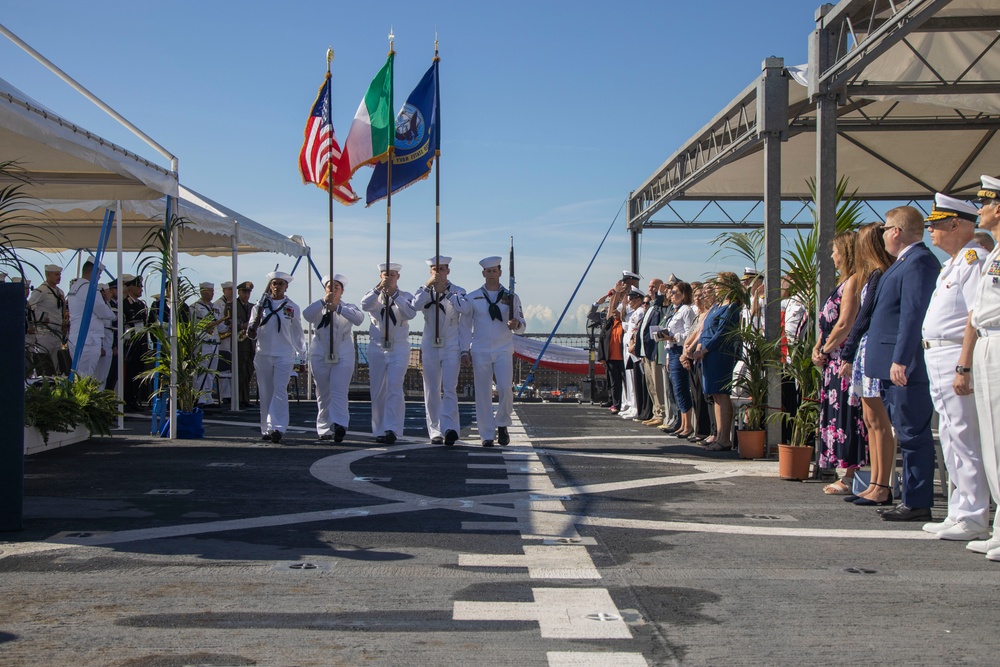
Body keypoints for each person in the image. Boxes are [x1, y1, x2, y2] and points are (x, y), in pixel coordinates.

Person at [919, 193, 990, 540]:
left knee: (965, 436)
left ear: (956, 224)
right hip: (939, 354)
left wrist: (964, 365)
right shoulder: (954, 264)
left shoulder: (976, 261)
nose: (931, 232)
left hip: (954, 356)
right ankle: (959, 509)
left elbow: (977, 316)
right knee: (950, 435)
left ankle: (974, 515)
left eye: (935, 225)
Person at [866, 206, 940, 522]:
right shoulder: (903, 263)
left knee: (912, 434)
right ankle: (911, 497)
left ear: (896, 231)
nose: (881, 236)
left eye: (884, 229)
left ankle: (917, 501)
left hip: (904, 367)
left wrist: (901, 359)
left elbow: (912, 315)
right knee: (905, 432)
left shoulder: (919, 262)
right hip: (889, 365)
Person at [955, 174, 1000, 560]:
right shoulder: (995, 253)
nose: (980, 210)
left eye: (984, 204)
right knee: (991, 438)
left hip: (998, 342)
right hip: (987, 343)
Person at [840, 223, 896, 507]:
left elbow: (863, 316)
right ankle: (874, 481)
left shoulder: (879, 274)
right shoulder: (873, 274)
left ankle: (881, 484)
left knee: (878, 421)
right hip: (865, 351)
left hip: (869, 349)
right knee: (870, 419)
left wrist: (847, 351)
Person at [812, 231, 865, 494]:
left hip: (843, 358)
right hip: (831, 358)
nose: (832, 256)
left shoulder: (854, 281)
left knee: (848, 416)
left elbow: (846, 323)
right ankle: (843, 472)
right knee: (836, 415)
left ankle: (850, 475)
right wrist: (818, 347)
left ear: (846, 253)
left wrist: (826, 348)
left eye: (835, 251)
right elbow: (827, 323)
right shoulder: (842, 282)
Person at [460, 255, 526, 447]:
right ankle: (487, 434)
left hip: (503, 348)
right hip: (480, 350)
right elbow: (465, 327)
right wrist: (465, 350)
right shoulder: (472, 298)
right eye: (488, 271)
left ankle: (503, 423)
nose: (491, 274)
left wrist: (516, 324)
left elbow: (522, 325)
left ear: (500, 272)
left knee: (505, 388)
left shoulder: (511, 297)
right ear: (483, 273)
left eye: (494, 271)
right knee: (483, 393)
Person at [412, 255, 470, 446]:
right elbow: (414, 306)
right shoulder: (423, 291)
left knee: (450, 388)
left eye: (442, 269)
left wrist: (464, 350)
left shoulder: (458, 291)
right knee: (431, 389)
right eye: (435, 269)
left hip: (451, 344)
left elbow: (465, 310)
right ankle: (435, 429)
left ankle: (451, 427)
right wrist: (429, 286)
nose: (439, 272)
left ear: (448, 271)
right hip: (430, 344)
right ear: (430, 272)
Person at [303, 274, 364, 442]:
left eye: (337, 286)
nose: (333, 289)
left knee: (339, 388)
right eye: (330, 286)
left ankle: (340, 424)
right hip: (320, 348)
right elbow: (307, 315)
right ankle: (324, 427)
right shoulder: (318, 307)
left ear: (342, 290)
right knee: (323, 391)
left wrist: (337, 308)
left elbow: (359, 319)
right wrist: (324, 302)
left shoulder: (348, 307)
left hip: (343, 348)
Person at [361, 262, 416, 444]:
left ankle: (392, 428)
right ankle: (379, 429)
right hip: (377, 346)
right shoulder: (373, 295)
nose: (388, 278)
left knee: (394, 386)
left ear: (397, 277)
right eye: (385, 274)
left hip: (398, 347)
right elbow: (365, 305)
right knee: (377, 389)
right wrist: (379, 290)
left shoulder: (405, 296)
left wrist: (394, 295)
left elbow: (409, 313)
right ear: (380, 276)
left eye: (392, 275)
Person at [248, 271, 305, 443]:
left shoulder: (292, 307)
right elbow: (251, 332)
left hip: (284, 354)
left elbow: (297, 334)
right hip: (263, 353)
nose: (277, 287)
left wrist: (301, 357)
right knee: (265, 392)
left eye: (281, 283)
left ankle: (278, 427)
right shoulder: (259, 306)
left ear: (286, 286)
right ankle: (266, 428)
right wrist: (252, 328)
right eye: (274, 283)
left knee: (280, 390)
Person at [691, 272, 741, 451]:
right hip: (708, 353)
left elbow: (722, 332)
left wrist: (705, 348)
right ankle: (719, 435)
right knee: (715, 395)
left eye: (720, 284)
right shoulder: (717, 306)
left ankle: (724, 437)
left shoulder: (732, 307)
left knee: (722, 394)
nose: (717, 288)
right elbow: (706, 330)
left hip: (720, 354)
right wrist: (699, 347)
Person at [67, 260, 115, 381]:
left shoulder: (75, 287)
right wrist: (113, 316)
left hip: (76, 337)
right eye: (99, 274)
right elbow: (102, 310)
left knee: (79, 375)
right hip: (89, 339)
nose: (99, 278)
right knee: (86, 377)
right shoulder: (89, 288)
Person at [660, 281, 697, 438]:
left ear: (684, 294)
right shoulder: (675, 311)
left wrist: (673, 337)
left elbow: (690, 333)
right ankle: (682, 424)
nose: (671, 294)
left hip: (681, 350)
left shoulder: (686, 310)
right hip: (672, 351)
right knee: (676, 389)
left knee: (681, 388)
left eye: (675, 292)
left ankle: (688, 425)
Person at [637, 277, 666, 427]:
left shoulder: (660, 305)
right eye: (649, 286)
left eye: (654, 286)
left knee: (657, 383)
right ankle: (656, 412)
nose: (651, 289)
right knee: (651, 384)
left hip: (655, 350)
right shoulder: (650, 306)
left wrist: (661, 296)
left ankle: (661, 413)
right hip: (646, 351)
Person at [27, 264, 67, 373]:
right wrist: (40, 319)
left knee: (56, 365)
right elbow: (30, 307)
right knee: (44, 364)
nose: (59, 277)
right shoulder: (41, 290)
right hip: (44, 332)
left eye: (60, 275)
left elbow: (60, 311)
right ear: (48, 275)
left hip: (57, 332)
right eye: (56, 274)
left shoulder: (60, 292)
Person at [190, 282, 223, 407]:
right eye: (209, 291)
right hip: (202, 341)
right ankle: (199, 397)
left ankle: (208, 397)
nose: (212, 293)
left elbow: (220, 325)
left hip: (215, 341)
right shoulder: (195, 307)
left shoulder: (216, 307)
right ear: (203, 292)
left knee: (211, 371)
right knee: (201, 370)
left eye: (213, 291)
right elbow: (195, 325)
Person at [121, 275, 149, 411]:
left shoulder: (141, 304)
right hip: (131, 342)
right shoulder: (125, 304)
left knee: (138, 372)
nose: (141, 289)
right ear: (130, 288)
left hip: (141, 342)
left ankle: (134, 399)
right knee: (130, 373)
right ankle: (127, 400)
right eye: (139, 287)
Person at [234, 281, 256, 408]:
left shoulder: (252, 307)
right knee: (240, 372)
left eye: (248, 292)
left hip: (250, 343)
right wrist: (243, 325)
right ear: (239, 292)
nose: (246, 295)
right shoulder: (232, 306)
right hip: (239, 342)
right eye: (244, 292)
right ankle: (237, 398)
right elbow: (229, 323)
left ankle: (245, 398)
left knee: (248, 372)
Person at [213, 281, 234, 407]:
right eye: (229, 290)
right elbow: (217, 322)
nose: (232, 292)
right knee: (224, 369)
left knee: (231, 369)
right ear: (224, 291)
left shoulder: (234, 303)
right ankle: (225, 395)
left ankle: (231, 394)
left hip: (232, 341)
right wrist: (227, 329)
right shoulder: (218, 305)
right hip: (223, 341)